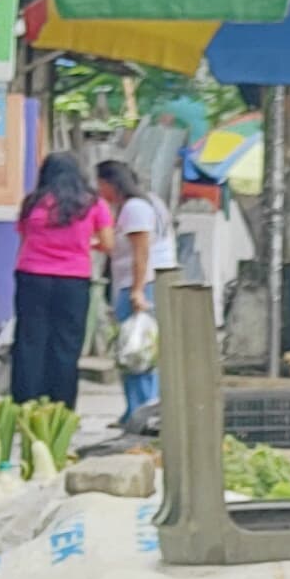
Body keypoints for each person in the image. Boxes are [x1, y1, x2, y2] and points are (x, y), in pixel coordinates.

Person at [10, 150, 109, 410]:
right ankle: (61, 406)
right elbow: (108, 243)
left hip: (32, 276)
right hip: (73, 280)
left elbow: (24, 239)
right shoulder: (93, 203)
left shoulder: (32, 202)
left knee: (30, 340)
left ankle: (26, 403)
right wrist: (85, 244)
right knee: (66, 343)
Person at [98, 156, 163, 433]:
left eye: (100, 184)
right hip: (129, 284)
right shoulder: (138, 205)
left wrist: (137, 290)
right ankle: (132, 411)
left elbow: (141, 252)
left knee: (139, 352)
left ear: (112, 184)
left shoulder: (135, 209)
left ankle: (144, 411)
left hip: (137, 286)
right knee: (129, 350)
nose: (99, 190)